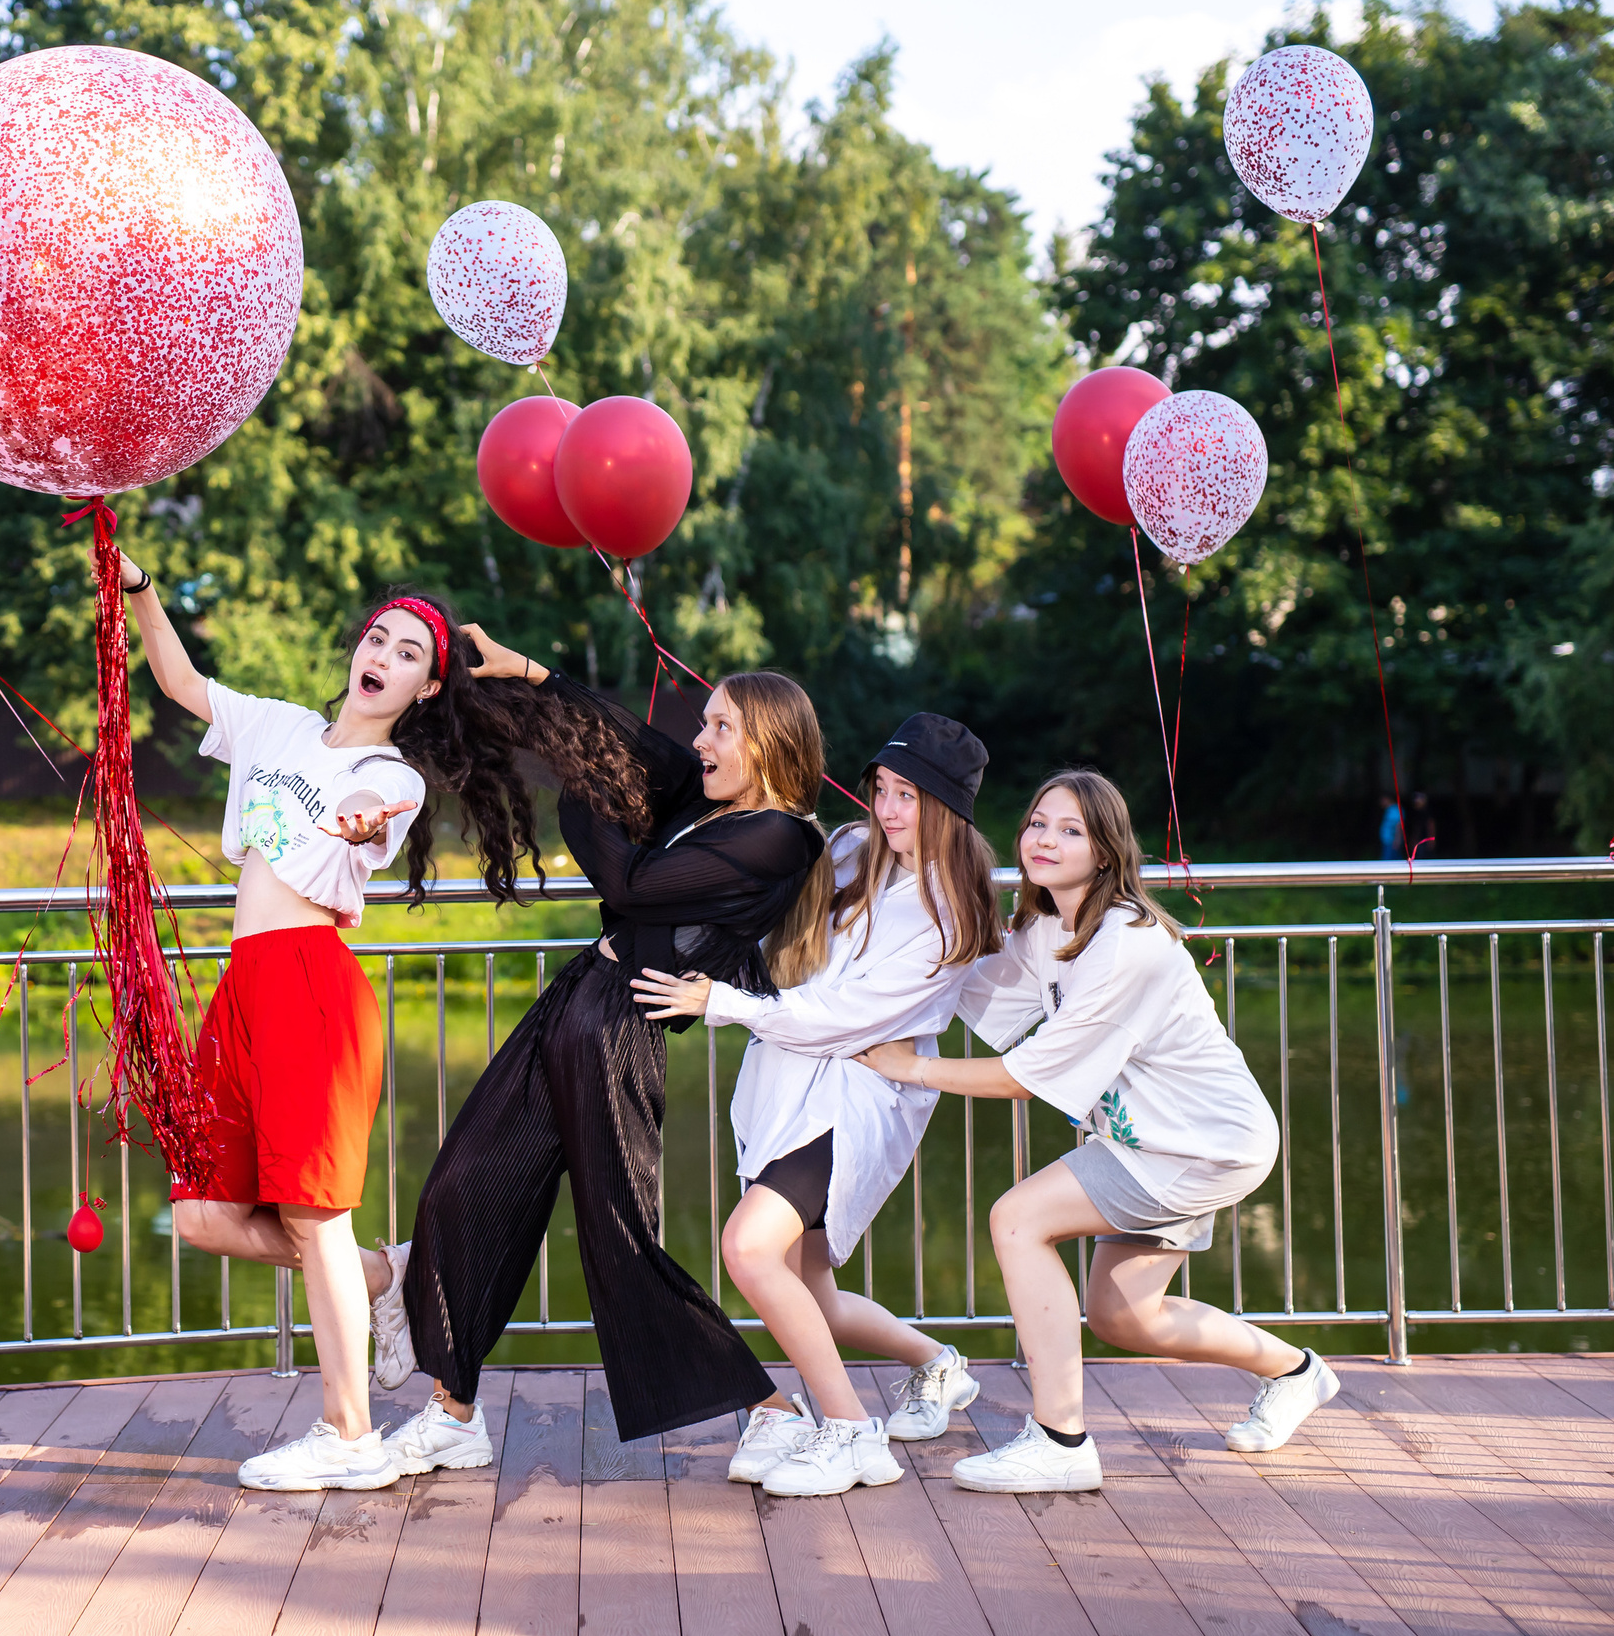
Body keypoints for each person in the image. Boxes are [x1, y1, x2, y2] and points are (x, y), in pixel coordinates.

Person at [117, 550, 540, 1492]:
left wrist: (352, 820)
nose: (383, 654)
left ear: (428, 686)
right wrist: (144, 591)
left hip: (311, 984)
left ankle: (350, 1433)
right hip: (244, 990)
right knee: (202, 1214)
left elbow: (369, 810)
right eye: (378, 637)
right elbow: (181, 681)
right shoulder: (278, 727)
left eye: (409, 651)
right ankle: (381, 1275)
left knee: (313, 1216)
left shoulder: (397, 776)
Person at [383, 642, 826, 1475]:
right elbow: (634, 741)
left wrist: (580, 796)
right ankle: (452, 1409)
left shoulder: (780, 836)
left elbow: (630, 885)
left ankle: (771, 1409)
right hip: (582, 993)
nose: (701, 739)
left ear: (767, 741)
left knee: (619, 1236)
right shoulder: (709, 795)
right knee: (469, 1178)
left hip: (621, 1023)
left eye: (721, 726)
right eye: (705, 721)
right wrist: (533, 674)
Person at [856, 768, 1337, 1493]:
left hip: (1199, 1144)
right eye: (1038, 823)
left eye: (1071, 829)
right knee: (1124, 1315)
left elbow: (1022, 1076)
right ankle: (1298, 1372)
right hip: (1154, 1139)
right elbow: (967, 979)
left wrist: (911, 1068)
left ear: (1106, 851)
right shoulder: (1052, 929)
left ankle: (1059, 1439)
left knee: (1017, 1219)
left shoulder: (1125, 942)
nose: (1045, 839)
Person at [631, 714, 1000, 1497]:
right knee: (815, 1299)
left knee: (749, 1248)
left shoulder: (953, 913)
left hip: (860, 1094)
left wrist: (719, 1001)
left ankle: (849, 1431)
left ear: (952, 809)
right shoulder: (848, 853)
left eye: (912, 796)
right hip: (789, 1080)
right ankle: (936, 1363)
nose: (891, 809)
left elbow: (846, 1017)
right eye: (884, 790)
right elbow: (786, 947)